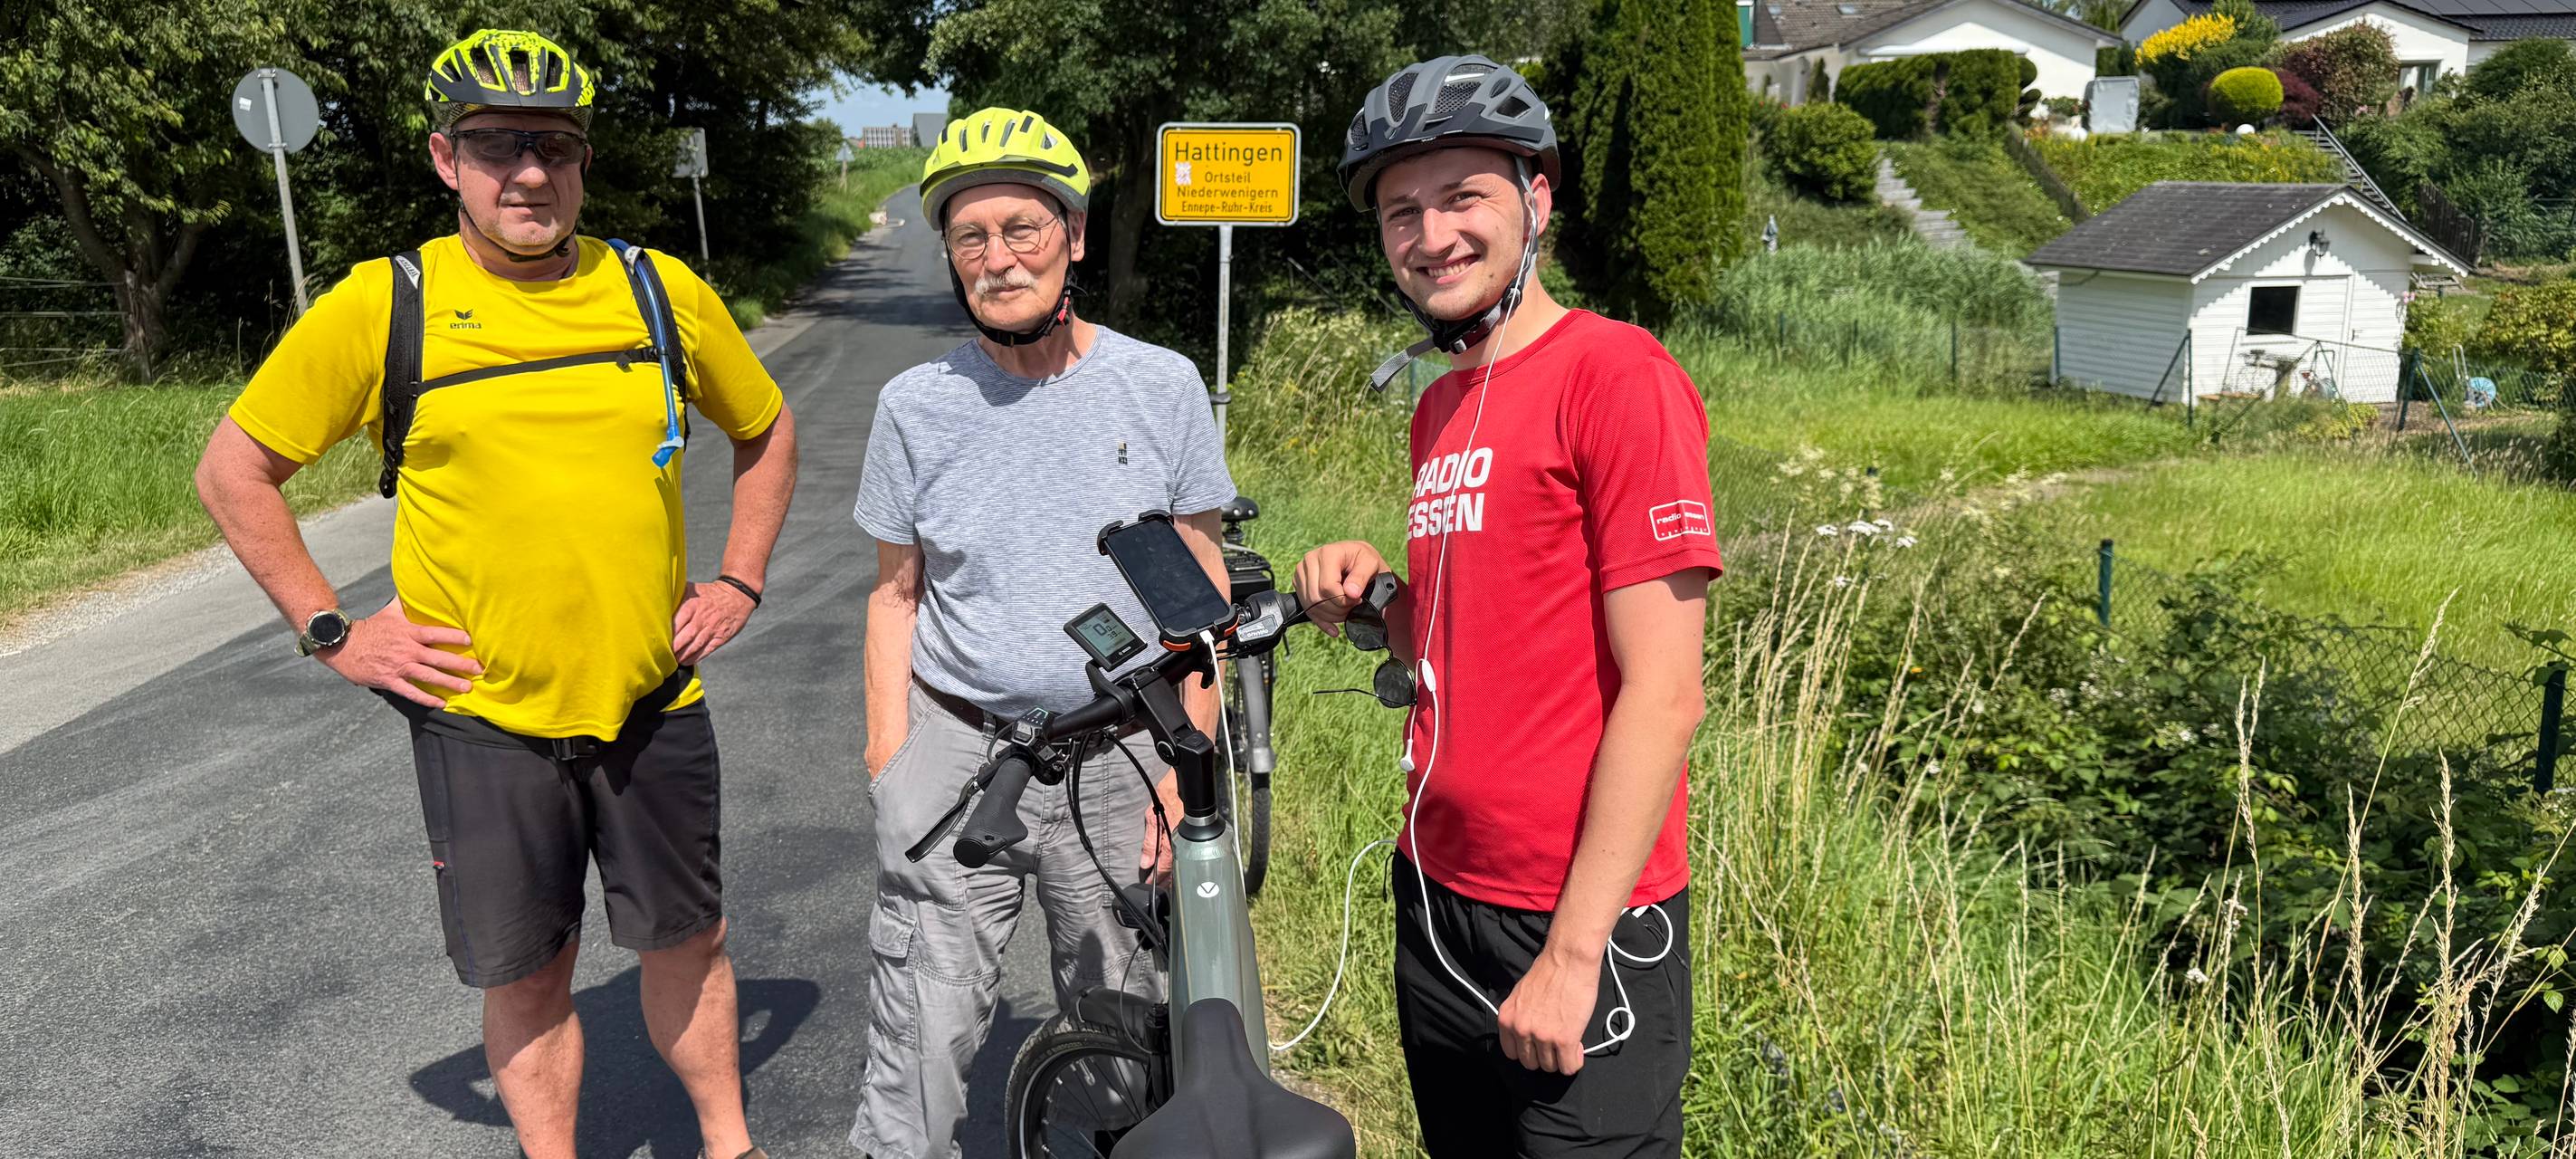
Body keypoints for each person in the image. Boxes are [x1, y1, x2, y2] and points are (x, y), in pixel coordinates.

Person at [192, 29, 794, 1159]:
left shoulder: (655, 288)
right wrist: (333, 630)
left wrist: (740, 579)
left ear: (582, 161)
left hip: (651, 698)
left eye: (553, 146)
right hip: (483, 717)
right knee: (528, 975)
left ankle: (731, 1144)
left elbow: (765, 427)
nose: (528, 171)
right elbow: (234, 470)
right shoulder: (387, 302)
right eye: (496, 145)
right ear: (445, 159)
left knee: (691, 942)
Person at [1293, 56, 1722, 1158]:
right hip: (1436, 891)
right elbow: (1454, 633)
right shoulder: (1440, 404)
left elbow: (1666, 692)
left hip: (1574, 914)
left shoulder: (1616, 375)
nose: (1429, 234)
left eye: (1460, 197)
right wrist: (1374, 591)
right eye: (1400, 210)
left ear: (1534, 200)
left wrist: (1574, 954)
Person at [848, 106, 1235, 1159]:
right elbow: (892, 595)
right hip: (957, 746)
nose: (997, 257)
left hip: (1117, 752)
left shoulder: (1158, 385)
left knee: (1122, 1035)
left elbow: (1200, 586)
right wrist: (889, 759)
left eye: (1020, 227)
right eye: (970, 236)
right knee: (917, 1036)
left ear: (1072, 235)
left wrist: (1184, 766)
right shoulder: (914, 406)